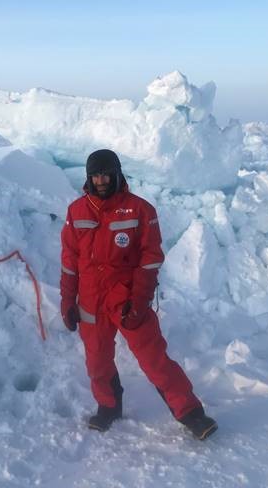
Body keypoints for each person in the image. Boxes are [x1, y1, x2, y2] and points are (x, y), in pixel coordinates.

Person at [60, 149, 217, 439]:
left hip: (127, 299)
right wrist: (68, 300)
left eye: (106, 174)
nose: (101, 180)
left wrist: (140, 300)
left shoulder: (140, 210)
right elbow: (70, 261)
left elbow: (151, 258)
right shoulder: (76, 212)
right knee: (97, 362)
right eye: (95, 175)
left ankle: (191, 413)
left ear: (117, 174)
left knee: (154, 359)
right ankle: (108, 406)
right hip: (91, 300)